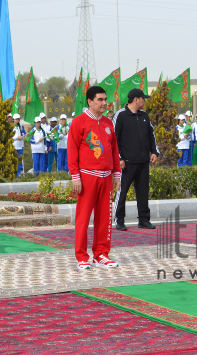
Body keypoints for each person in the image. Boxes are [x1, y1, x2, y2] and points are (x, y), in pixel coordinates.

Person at [68, 86, 121, 270]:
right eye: (100, 99)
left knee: (105, 218)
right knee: (83, 218)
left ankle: (101, 254)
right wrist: (75, 176)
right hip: (87, 177)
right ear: (90, 101)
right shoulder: (79, 122)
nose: (104, 103)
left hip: (106, 178)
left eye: (105, 99)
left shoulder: (108, 123)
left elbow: (114, 150)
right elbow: (72, 150)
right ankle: (82, 257)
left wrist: (116, 174)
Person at [113, 88, 159, 231]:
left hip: (143, 161)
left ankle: (144, 219)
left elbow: (151, 134)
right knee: (122, 191)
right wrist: (119, 158)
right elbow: (114, 139)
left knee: (143, 191)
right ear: (136, 99)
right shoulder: (120, 115)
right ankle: (119, 220)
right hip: (126, 162)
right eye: (143, 98)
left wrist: (154, 152)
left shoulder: (144, 115)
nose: (145, 101)